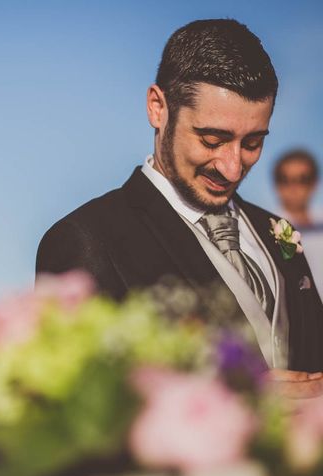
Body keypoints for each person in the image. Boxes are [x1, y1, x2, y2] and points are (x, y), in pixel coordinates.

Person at [35, 19, 323, 398]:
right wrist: (242, 404)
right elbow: (72, 407)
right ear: (158, 108)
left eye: (252, 142)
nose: (233, 166)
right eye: (212, 139)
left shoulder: (276, 231)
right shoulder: (85, 240)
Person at [274, 149, 323, 297]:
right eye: (285, 179)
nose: (293, 187)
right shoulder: (267, 228)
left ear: (314, 183)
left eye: (303, 179)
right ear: (277, 185)